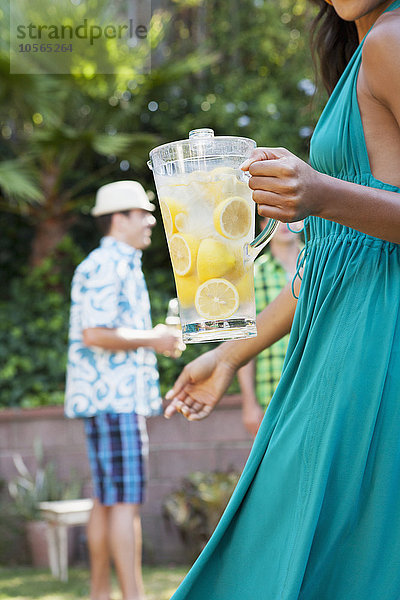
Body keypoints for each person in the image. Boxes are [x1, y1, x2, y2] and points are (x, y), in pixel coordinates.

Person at [164, 1, 400, 598]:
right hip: (338, 344)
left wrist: (321, 194)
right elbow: (340, 255)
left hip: (380, 349)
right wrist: (228, 355)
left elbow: (345, 229)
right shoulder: (362, 52)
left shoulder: (392, 41)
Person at [64, 180, 183, 600]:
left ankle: (101, 594)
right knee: (125, 502)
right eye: (142, 213)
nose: (151, 220)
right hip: (115, 402)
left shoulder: (113, 263)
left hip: (107, 402)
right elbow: (95, 334)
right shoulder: (110, 264)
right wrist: (155, 338)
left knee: (107, 500)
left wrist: (153, 339)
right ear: (119, 219)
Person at [238, 220, 303, 436]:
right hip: (272, 391)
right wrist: (249, 402)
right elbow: (244, 340)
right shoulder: (253, 274)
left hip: (316, 385)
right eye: (276, 218)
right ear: (264, 223)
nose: (285, 223)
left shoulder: (322, 267)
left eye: (292, 216)